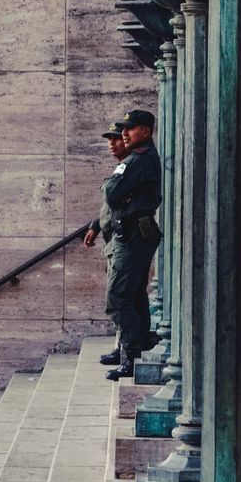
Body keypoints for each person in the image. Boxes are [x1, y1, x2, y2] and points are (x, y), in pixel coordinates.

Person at [101, 109, 162, 381]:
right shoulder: (141, 159)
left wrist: (117, 188)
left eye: (131, 128)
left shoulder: (138, 160)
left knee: (118, 296)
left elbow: (111, 193)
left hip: (134, 235)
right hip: (134, 232)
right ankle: (132, 347)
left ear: (146, 132)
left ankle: (131, 354)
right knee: (134, 293)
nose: (124, 133)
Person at [84, 124, 130, 366]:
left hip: (126, 241)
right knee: (121, 297)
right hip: (114, 240)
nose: (112, 144)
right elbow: (109, 207)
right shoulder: (121, 167)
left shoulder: (132, 166)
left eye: (117, 139)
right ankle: (122, 348)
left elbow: (115, 201)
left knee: (120, 298)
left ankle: (128, 353)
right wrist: (95, 225)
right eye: (109, 140)